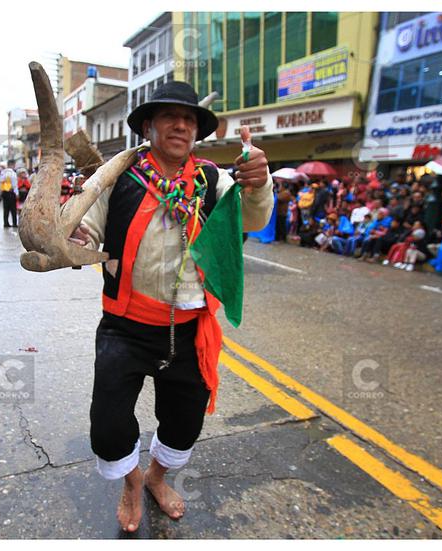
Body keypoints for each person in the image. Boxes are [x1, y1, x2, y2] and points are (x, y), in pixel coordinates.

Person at [67, 81, 273, 532]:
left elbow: (254, 218)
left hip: (190, 329)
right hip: (125, 325)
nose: (181, 125)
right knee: (108, 426)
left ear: (197, 132)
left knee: (183, 424)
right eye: (169, 117)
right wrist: (76, 236)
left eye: (189, 119)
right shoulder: (119, 177)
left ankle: (156, 478)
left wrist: (258, 184)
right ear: (148, 127)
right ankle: (131, 482)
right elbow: (88, 228)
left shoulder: (213, 181)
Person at [0, 160, 19, 228]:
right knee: (13, 209)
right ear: (12, 165)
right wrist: (16, 193)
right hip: (11, 192)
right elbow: (14, 184)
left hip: (4, 192)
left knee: (6, 209)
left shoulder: (3, 172)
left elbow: (0, 182)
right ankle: (14, 223)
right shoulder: (13, 173)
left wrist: (0, 191)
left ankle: (6, 223)